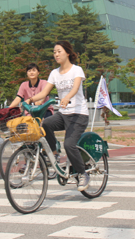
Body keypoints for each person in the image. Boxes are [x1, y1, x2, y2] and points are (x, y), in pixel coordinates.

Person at [25, 41, 90, 191]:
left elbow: (75, 88)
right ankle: (53, 153)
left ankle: (82, 174)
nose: (56, 54)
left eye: (59, 51)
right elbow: (44, 92)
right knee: (46, 123)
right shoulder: (54, 73)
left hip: (78, 114)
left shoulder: (77, 70)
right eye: (54, 52)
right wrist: (30, 99)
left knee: (69, 145)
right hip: (64, 114)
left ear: (67, 52)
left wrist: (67, 97)